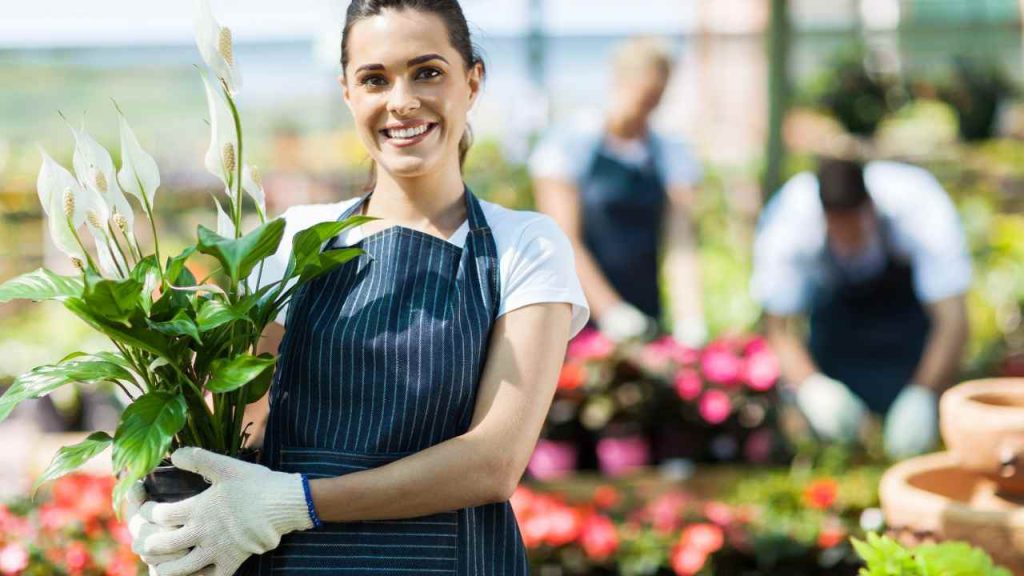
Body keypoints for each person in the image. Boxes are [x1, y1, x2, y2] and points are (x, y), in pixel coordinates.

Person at [126, 1, 590, 574]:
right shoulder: (295, 238)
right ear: (348, 93)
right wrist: (165, 491)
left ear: (472, 82)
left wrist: (296, 503)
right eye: (375, 79)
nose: (401, 101)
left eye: (427, 72)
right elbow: (244, 425)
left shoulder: (525, 246)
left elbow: (493, 462)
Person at [752, 157, 970, 459]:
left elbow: (952, 321)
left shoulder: (920, 206)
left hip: (907, 339)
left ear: (869, 208)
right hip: (835, 340)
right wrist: (812, 386)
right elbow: (778, 328)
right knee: (827, 443)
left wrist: (923, 393)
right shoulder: (788, 222)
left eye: (853, 227)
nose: (847, 238)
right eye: (837, 227)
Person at [529, 37, 706, 346]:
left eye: (657, 99)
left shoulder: (669, 152)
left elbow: (681, 242)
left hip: (645, 310)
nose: (647, 109)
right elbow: (561, 239)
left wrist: (689, 316)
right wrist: (610, 311)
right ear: (619, 80)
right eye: (645, 96)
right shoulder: (569, 144)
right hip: (579, 318)